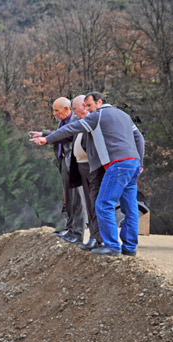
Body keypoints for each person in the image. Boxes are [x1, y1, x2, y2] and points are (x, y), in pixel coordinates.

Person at [31, 92, 144, 256]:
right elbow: (139, 138)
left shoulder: (97, 116)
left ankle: (112, 246)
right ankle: (130, 247)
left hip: (117, 165)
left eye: (89, 105)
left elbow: (70, 128)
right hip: (133, 163)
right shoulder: (123, 115)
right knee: (130, 207)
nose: (88, 109)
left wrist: (46, 140)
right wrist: (140, 162)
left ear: (99, 102)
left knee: (103, 203)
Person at [29, 97, 85, 244]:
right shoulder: (63, 121)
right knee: (68, 198)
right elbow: (59, 132)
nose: (54, 114)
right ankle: (70, 228)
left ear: (67, 109)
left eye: (56, 110)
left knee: (77, 199)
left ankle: (78, 232)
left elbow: (66, 136)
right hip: (63, 162)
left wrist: (47, 138)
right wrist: (43, 134)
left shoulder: (75, 120)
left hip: (74, 163)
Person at [70, 95, 102, 250]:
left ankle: (97, 238)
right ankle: (95, 237)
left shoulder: (94, 121)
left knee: (95, 203)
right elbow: (67, 133)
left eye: (75, 109)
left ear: (83, 106)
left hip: (93, 168)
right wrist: (45, 136)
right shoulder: (80, 123)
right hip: (82, 168)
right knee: (89, 204)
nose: (74, 112)